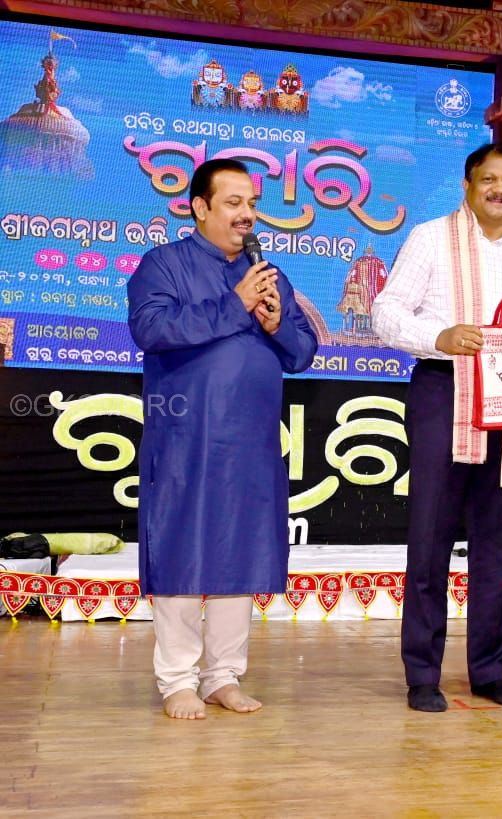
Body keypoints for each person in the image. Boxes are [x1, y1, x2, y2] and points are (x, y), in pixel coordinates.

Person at [372, 143, 502, 713]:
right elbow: (386, 312)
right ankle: (422, 674)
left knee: (496, 542)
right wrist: (440, 337)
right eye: (489, 180)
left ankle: (489, 671)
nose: (499, 190)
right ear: (468, 185)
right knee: (430, 539)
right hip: (444, 391)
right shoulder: (431, 238)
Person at [128, 157, 318, 719]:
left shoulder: (268, 274)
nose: (246, 214)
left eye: (252, 203)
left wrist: (275, 323)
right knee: (181, 552)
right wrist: (236, 305)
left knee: (242, 553)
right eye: (233, 203)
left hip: (251, 441)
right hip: (186, 437)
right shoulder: (163, 265)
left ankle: (222, 676)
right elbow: (152, 329)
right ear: (199, 207)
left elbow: (303, 352)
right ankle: (177, 680)